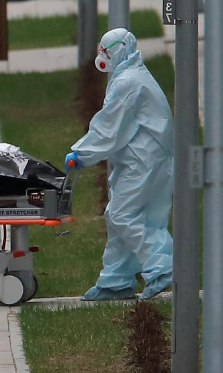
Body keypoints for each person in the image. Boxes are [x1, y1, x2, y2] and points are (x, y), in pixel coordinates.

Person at [65, 27, 174, 301]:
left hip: (143, 162)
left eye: (106, 50)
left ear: (119, 50)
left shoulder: (128, 83)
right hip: (144, 159)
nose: (103, 56)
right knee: (121, 218)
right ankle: (116, 280)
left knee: (123, 216)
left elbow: (109, 127)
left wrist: (81, 154)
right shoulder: (131, 76)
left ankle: (163, 267)